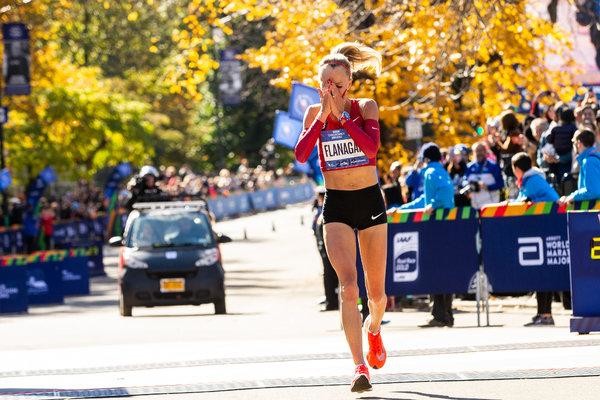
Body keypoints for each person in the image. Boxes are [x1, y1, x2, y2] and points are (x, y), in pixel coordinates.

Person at [294, 42, 386, 393]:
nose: (330, 89)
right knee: (348, 288)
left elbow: (371, 149)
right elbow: (301, 154)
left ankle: (373, 328)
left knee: (377, 297)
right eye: (325, 83)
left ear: (349, 83)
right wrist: (322, 117)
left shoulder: (365, 107)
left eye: (337, 83)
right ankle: (359, 366)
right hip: (336, 205)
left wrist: (344, 118)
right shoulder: (314, 113)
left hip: (368, 199)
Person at [399, 143, 456, 327]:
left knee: (435, 269)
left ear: (426, 158)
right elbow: (426, 199)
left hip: (436, 227)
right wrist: (402, 209)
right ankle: (447, 314)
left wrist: (434, 205)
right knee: (445, 268)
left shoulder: (431, 172)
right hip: (446, 226)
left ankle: (439, 315)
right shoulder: (442, 171)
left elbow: (441, 195)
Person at [510, 152, 559, 326]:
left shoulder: (532, 181)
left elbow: (521, 202)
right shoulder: (530, 180)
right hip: (542, 228)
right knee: (540, 273)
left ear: (517, 168)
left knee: (543, 273)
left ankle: (546, 314)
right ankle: (542, 313)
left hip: (546, 228)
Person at [312, 186, 339, 311]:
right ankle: (330, 299)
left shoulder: (327, 212)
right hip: (323, 248)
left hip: (328, 249)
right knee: (328, 274)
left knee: (330, 275)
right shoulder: (320, 211)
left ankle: (332, 301)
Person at [558, 129, 600, 204]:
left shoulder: (589, 161)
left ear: (579, 143)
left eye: (574, 142)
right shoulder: (592, 159)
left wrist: (572, 197)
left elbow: (593, 192)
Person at [463, 142, 504, 209]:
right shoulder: (469, 167)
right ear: (473, 152)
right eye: (477, 151)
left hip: (491, 205)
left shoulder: (493, 166)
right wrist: (469, 186)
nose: (479, 153)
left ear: (485, 151)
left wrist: (487, 187)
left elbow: (501, 184)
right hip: (475, 205)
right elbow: (464, 181)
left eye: (481, 150)